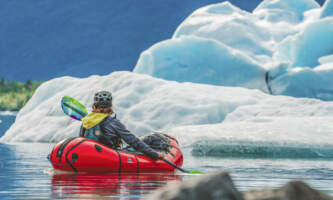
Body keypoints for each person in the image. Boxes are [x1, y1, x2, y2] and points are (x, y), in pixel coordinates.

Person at [79, 91, 164, 160]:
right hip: (111, 156)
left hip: (90, 156)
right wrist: (154, 154)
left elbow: (81, 140)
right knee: (151, 138)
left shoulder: (85, 121)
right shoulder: (112, 122)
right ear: (110, 106)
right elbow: (133, 141)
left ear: (94, 106)